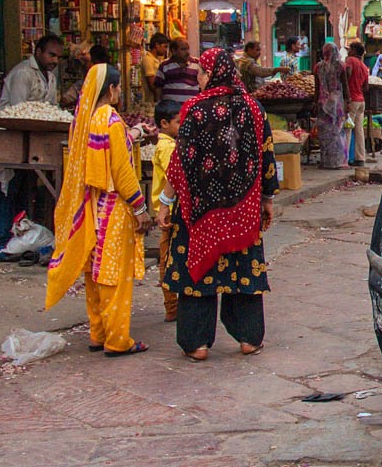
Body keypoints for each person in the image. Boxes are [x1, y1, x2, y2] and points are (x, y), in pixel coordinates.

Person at [156, 49, 279, 361]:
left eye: (200, 72)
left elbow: (180, 162)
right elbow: (266, 154)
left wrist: (164, 202)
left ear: (211, 74)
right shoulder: (254, 108)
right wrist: (267, 199)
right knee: (243, 271)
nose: (197, 78)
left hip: (200, 212)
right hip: (243, 210)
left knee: (198, 274)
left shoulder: (195, 109)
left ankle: (196, 343)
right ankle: (249, 338)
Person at [44, 63, 153, 356]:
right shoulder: (112, 121)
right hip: (113, 208)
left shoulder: (85, 120)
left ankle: (98, 333)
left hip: (90, 206)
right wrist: (140, 207)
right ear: (112, 89)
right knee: (113, 276)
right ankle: (117, 340)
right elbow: (121, 171)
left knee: (94, 272)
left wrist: (134, 133)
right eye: (118, 88)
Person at [0, 34, 63, 242]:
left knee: (26, 188)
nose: (55, 61)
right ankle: (3, 238)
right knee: (10, 187)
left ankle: (22, 238)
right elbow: (19, 111)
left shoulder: (50, 77)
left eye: (58, 57)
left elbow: (51, 108)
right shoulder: (23, 73)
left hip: (34, 141)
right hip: (11, 139)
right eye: (51, 55)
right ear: (38, 52)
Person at [149, 97, 183, 322]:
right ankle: (172, 306)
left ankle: (173, 305)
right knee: (167, 258)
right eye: (177, 122)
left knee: (168, 256)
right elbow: (175, 176)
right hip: (169, 210)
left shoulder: (165, 145)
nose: (181, 126)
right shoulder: (167, 147)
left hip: (167, 208)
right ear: (164, 123)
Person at [314, 43, 348, 169]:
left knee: (326, 134)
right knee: (336, 133)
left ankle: (327, 161)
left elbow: (317, 88)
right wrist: (348, 102)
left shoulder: (318, 67)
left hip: (324, 103)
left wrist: (315, 102)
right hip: (336, 104)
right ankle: (337, 161)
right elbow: (345, 86)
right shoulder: (340, 66)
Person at [344, 43, 370, 166]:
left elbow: (347, 75)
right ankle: (360, 158)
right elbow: (366, 87)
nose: (348, 51)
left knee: (347, 129)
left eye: (349, 49)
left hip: (352, 100)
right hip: (361, 101)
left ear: (354, 50)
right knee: (359, 130)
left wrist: (347, 95)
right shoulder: (364, 66)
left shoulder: (350, 60)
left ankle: (344, 159)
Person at [155, 38, 201, 106]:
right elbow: (158, 87)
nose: (187, 52)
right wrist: (159, 104)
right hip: (171, 109)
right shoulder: (164, 66)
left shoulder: (197, 63)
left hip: (192, 108)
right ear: (174, 51)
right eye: (183, 49)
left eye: (188, 49)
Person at [141, 33, 170, 107]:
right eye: (165, 47)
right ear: (157, 45)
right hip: (151, 103)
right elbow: (153, 85)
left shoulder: (157, 60)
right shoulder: (148, 60)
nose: (165, 50)